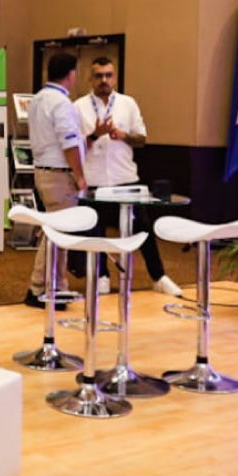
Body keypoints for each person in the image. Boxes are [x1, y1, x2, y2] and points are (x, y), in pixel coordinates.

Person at [74, 55, 181, 297]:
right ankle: (101, 275)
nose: (104, 80)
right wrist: (95, 134)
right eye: (98, 76)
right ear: (90, 79)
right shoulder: (78, 107)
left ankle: (158, 276)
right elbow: (74, 146)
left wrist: (123, 135)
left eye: (108, 75)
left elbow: (141, 139)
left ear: (114, 78)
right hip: (94, 179)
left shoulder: (127, 104)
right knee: (95, 230)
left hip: (125, 177)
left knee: (143, 228)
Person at [25, 51, 87, 308]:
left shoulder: (38, 99)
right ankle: (41, 288)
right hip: (59, 175)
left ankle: (57, 286)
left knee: (56, 231)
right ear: (71, 74)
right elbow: (69, 142)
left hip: (43, 171)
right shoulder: (61, 103)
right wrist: (80, 176)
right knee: (57, 233)